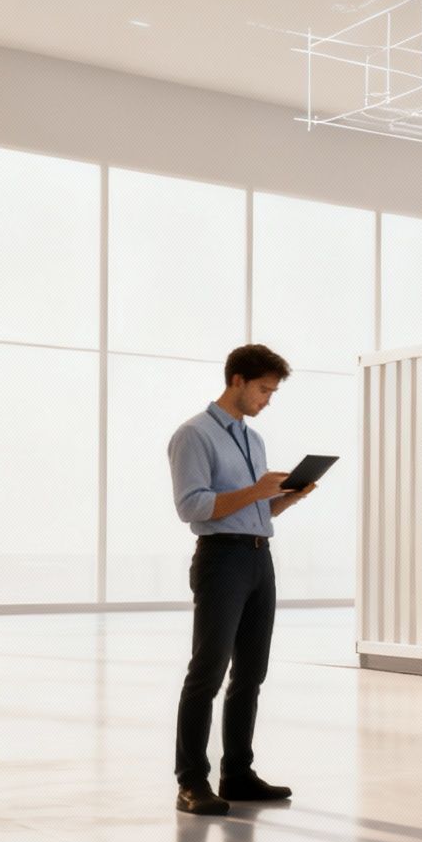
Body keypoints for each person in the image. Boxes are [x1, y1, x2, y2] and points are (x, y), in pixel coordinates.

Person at [167, 344, 318, 815]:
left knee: (251, 673)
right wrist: (255, 491)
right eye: (263, 389)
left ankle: (237, 774)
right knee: (207, 672)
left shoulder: (252, 440)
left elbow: (255, 509)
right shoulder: (193, 435)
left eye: (272, 391)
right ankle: (191, 782)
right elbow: (192, 507)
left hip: (258, 558)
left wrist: (288, 497)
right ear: (236, 380)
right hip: (221, 560)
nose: (267, 399)